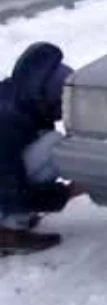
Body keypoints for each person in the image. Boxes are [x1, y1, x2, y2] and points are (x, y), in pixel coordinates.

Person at [0, 42, 84, 255]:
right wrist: (67, 193)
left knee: (48, 141)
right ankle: (8, 231)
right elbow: (13, 192)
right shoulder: (7, 122)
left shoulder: (15, 98)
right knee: (53, 147)